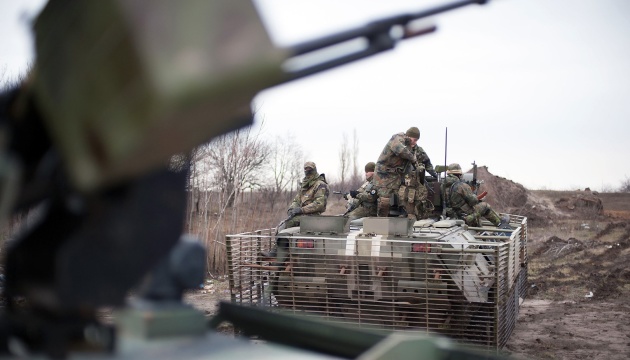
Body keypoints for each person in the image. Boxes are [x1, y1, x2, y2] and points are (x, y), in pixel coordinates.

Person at [261, 161, 329, 258]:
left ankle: (276, 252)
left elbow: (319, 204)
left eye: (310, 169)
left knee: (287, 224)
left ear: (314, 170)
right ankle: (284, 253)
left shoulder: (320, 185)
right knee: (282, 225)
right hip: (303, 214)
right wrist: (292, 209)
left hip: (313, 216)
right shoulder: (305, 185)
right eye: (306, 169)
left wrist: (301, 210)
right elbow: (297, 200)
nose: (308, 171)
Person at [442, 163, 509, 228]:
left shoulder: (442, 186)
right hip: (465, 216)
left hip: (452, 215)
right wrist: (476, 197)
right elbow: (473, 202)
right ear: (459, 174)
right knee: (485, 206)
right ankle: (501, 223)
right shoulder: (461, 186)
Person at [373, 127, 420, 217]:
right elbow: (401, 151)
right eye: (415, 139)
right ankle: (381, 222)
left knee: (404, 196)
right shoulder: (397, 139)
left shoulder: (409, 146)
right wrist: (413, 159)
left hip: (396, 175)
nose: (415, 142)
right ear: (410, 136)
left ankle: (402, 217)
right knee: (384, 200)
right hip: (384, 175)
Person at [398, 136, 438, 220]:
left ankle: (417, 214)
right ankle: (403, 212)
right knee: (402, 196)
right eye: (413, 139)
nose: (414, 142)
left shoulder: (419, 151)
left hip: (416, 180)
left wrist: (434, 174)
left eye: (416, 140)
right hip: (401, 180)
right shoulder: (400, 148)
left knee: (418, 197)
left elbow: (427, 163)